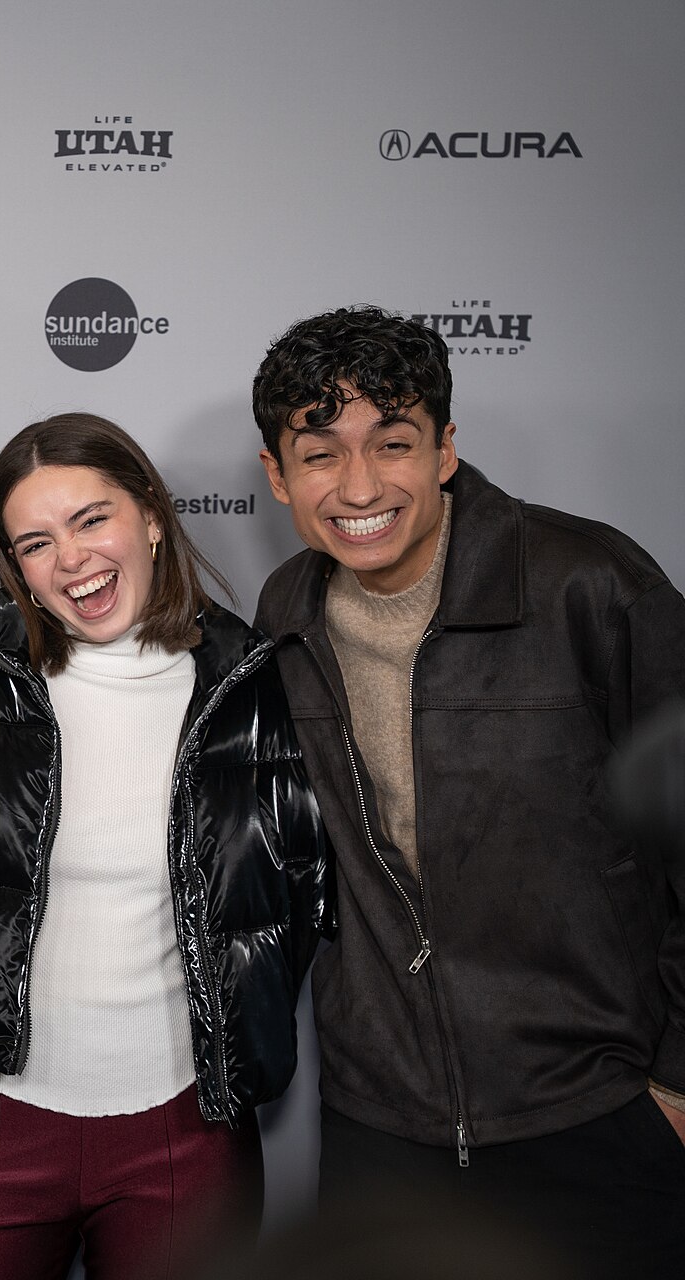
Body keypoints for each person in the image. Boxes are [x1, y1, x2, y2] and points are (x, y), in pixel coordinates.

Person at [250, 305, 685, 1279]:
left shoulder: (589, 584)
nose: (359, 486)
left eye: (392, 443)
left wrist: (675, 1084)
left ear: (445, 448)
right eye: (320, 455)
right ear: (278, 475)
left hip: (598, 1114)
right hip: (381, 1126)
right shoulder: (287, 612)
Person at [0, 414, 327, 1280]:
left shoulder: (253, 686)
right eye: (36, 542)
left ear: (151, 516)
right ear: (16, 567)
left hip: (189, 1129)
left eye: (91, 519)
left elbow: (300, 895)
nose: (71, 559)